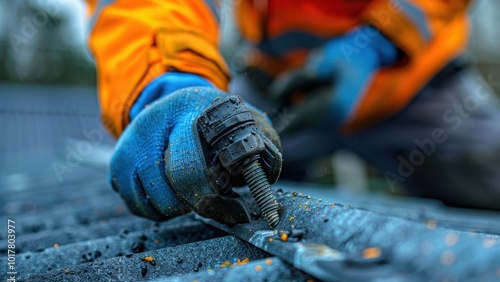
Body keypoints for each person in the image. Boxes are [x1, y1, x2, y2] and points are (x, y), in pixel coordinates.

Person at [86, 0, 499, 224]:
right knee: (200, 167)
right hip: (281, 91)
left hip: (415, 83)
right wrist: (167, 78)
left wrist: (384, 37)